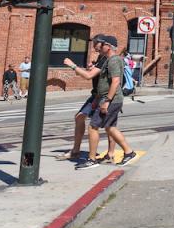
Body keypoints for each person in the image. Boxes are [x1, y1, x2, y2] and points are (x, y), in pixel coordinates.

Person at [65, 35, 137, 169]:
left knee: (93, 127)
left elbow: (115, 81)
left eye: (101, 44)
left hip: (110, 99)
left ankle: (92, 159)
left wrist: (107, 101)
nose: (98, 47)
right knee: (110, 127)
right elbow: (94, 77)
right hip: (106, 98)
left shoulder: (114, 60)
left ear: (108, 46)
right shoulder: (107, 60)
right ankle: (129, 152)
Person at [57, 35, 114, 163]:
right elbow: (92, 74)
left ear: (103, 44)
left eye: (95, 44)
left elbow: (88, 76)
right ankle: (75, 151)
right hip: (96, 94)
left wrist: (73, 66)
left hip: (105, 95)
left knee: (109, 125)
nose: (94, 47)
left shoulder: (107, 58)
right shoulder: (100, 58)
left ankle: (110, 153)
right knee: (79, 117)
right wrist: (91, 68)